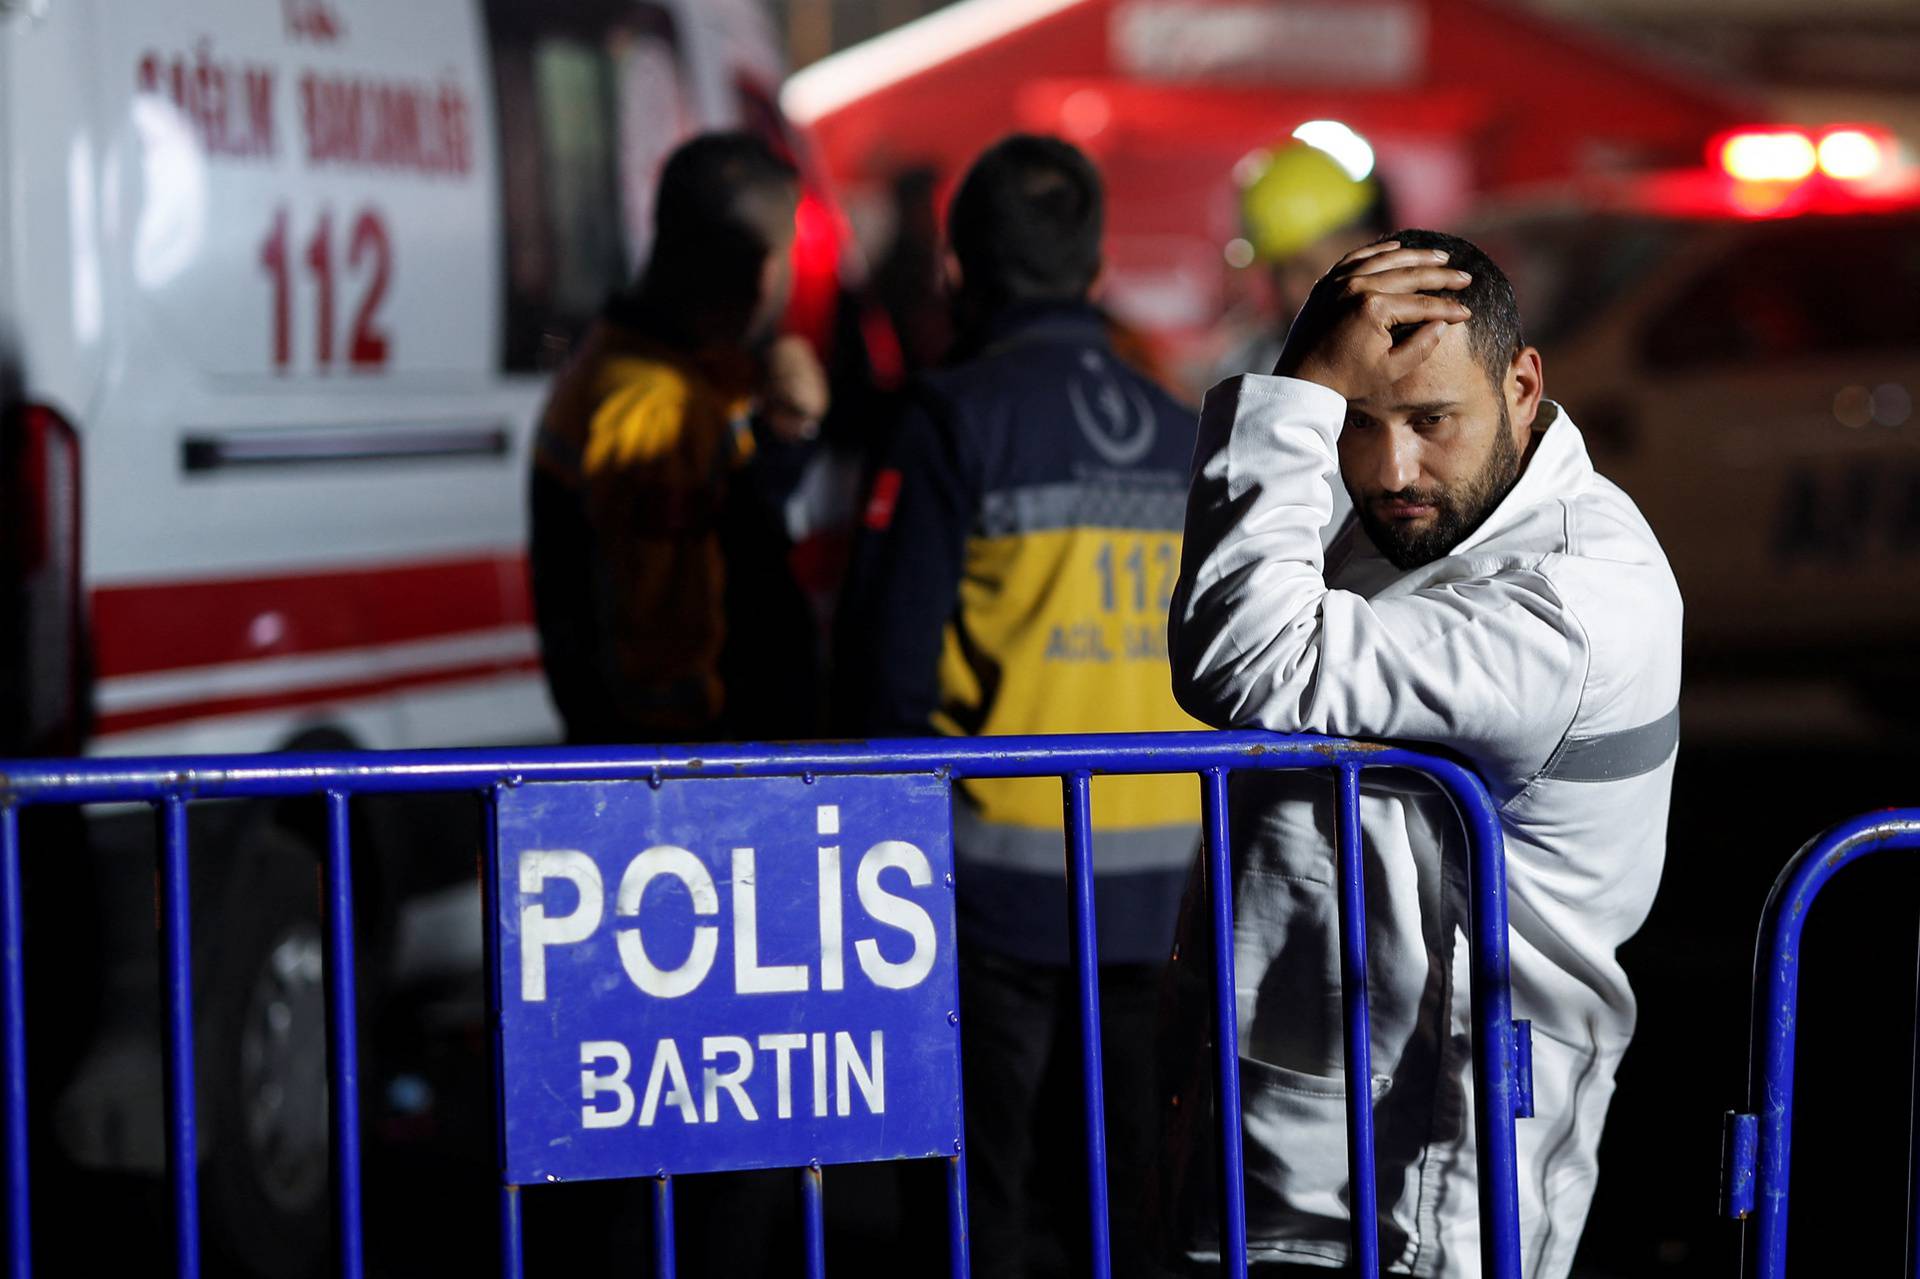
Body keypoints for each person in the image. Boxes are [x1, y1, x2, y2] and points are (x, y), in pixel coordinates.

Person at [1156, 229, 1681, 1277]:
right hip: (1317, 1139)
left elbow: (1245, 656)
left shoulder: (1572, 603)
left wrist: (1297, 390)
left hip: (1427, 1177)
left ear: (1523, 385)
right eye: (1355, 421)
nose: (1391, 469)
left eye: (1433, 420)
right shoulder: (1444, 519)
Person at [836, 134, 1202, 1277]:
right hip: (1159, 895)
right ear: (1095, 272)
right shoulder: (1182, 431)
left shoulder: (951, 418)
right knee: (1126, 1204)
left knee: (975, 1208)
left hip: (989, 896)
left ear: (956, 272)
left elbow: (888, 672)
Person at [529, 130, 828, 747]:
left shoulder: (648, 369)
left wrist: (781, 434)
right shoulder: (655, 406)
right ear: (766, 269)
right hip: (687, 782)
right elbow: (664, 651)